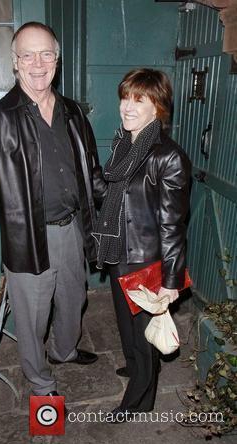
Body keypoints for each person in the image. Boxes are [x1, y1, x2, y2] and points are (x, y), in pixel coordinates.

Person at [0, 22, 107, 398]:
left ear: (56, 61)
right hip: (28, 238)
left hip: (74, 229)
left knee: (75, 300)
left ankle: (64, 351)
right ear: (15, 62)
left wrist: (122, 208)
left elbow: (92, 175)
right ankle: (41, 383)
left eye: (46, 54)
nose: (37, 63)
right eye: (28, 55)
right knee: (32, 318)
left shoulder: (74, 113)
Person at [92, 68, 191, 421]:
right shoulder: (124, 144)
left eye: (140, 99)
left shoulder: (169, 156)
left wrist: (170, 281)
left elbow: (172, 225)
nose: (127, 107)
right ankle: (137, 367)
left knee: (142, 333)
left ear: (158, 107)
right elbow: (110, 194)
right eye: (125, 97)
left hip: (148, 261)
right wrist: (87, 175)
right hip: (120, 249)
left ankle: (138, 400)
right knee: (126, 325)